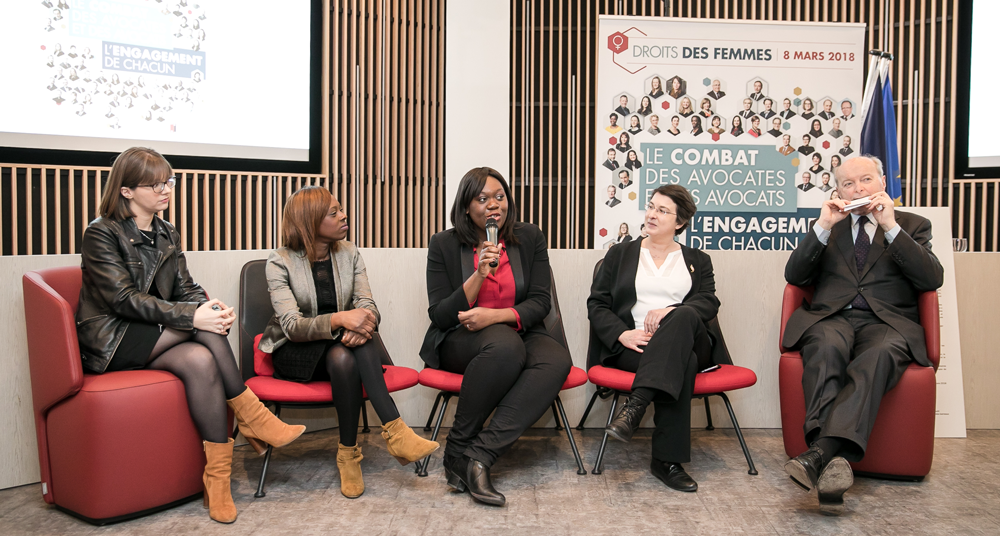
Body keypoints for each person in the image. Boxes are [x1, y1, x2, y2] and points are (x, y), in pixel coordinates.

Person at [75, 148, 305, 524]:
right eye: (155, 184)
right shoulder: (101, 232)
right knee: (204, 332)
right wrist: (193, 316)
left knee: (201, 357)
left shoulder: (165, 232)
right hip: (111, 338)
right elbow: (122, 300)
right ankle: (250, 415)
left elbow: (185, 286)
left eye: (168, 181)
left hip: (153, 332)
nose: (166, 190)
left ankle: (217, 482)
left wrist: (209, 308)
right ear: (127, 190)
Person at [782, 155, 943, 515]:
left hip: (887, 323)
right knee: (824, 346)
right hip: (832, 317)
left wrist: (891, 227)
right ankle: (830, 459)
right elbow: (795, 276)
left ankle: (818, 454)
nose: (858, 190)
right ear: (836, 190)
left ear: (882, 183)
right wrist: (822, 227)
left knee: (879, 355)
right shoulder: (830, 226)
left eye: (865, 180)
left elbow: (931, 279)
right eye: (848, 184)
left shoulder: (913, 225)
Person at [260, 187, 439, 499]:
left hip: (342, 351)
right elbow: (291, 326)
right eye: (333, 213)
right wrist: (341, 320)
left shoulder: (349, 253)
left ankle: (349, 453)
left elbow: (368, 307)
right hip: (296, 351)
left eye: (340, 209)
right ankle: (394, 432)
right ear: (309, 221)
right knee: (349, 348)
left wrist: (361, 323)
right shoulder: (280, 261)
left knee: (345, 354)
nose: (343, 216)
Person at [420, 168, 572, 506]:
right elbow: (441, 314)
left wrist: (497, 316)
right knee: (504, 346)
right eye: (483, 198)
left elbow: (539, 301)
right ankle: (459, 446)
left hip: (516, 328)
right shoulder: (443, 244)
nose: (494, 206)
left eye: (500, 197)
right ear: (465, 206)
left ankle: (476, 457)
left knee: (557, 359)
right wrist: (479, 274)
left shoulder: (529, 237)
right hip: (461, 337)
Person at [587, 185, 728, 493]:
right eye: (651, 206)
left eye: (662, 211)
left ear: (680, 222)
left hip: (689, 338)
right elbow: (596, 304)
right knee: (682, 362)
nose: (651, 214)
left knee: (686, 314)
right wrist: (622, 333)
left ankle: (635, 407)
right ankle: (667, 461)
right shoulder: (620, 254)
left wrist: (669, 311)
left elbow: (708, 302)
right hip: (635, 344)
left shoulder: (697, 259)